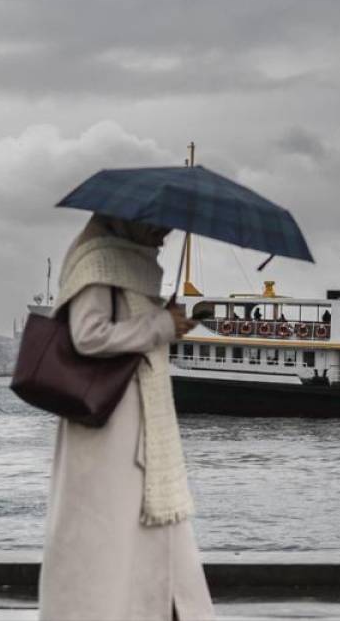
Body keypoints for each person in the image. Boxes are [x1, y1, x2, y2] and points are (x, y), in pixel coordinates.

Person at [39, 214, 214, 620]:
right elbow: (89, 335)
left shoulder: (130, 263)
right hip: (111, 424)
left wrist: (167, 321)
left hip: (135, 420)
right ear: (127, 218)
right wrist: (159, 323)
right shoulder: (98, 263)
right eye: (156, 222)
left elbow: (129, 328)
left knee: (132, 528)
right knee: (112, 530)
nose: (165, 230)